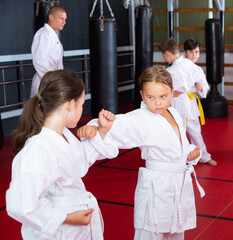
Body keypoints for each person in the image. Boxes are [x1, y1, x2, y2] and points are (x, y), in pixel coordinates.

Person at [78, 66, 205, 240]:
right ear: (142, 95)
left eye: (163, 96)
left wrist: (190, 153)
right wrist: (94, 127)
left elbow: (181, 144)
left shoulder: (174, 113)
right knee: (150, 233)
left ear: (172, 92)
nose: (158, 103)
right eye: (151, 97)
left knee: (176, 232)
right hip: (157, 187)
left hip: (178, 184)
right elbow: (118, 124)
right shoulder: (142, 119)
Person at [6, 70, 118, 239]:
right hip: (58, 230)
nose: (82, 109)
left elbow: (78, 163)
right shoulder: (38, 148)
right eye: (81, 104)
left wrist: (102, 131)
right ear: (70, 105)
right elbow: (22, 205)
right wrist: (66, 218)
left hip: (74, 227)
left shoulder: (63, 134)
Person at [159, 37, 217, 166]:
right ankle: (200, 157)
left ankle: (196, 157)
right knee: (193, 132)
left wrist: (200, 87)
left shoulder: (169, 72)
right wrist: (201, 88)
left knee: (180, 133)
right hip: (187, 104)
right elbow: (204, 86)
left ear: (167, 54)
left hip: (181, 104)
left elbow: (160, 91)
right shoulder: (192, 67)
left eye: (164, 56)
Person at [30, 5, 67, 98]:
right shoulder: (44, 34)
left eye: (65, 19)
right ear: (51, 17)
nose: (64, 22)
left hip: (53, 82)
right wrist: (52, 81)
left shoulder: (52, 35)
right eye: (61, 18)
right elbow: (39, 61)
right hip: (45, 82)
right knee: (43, 111)